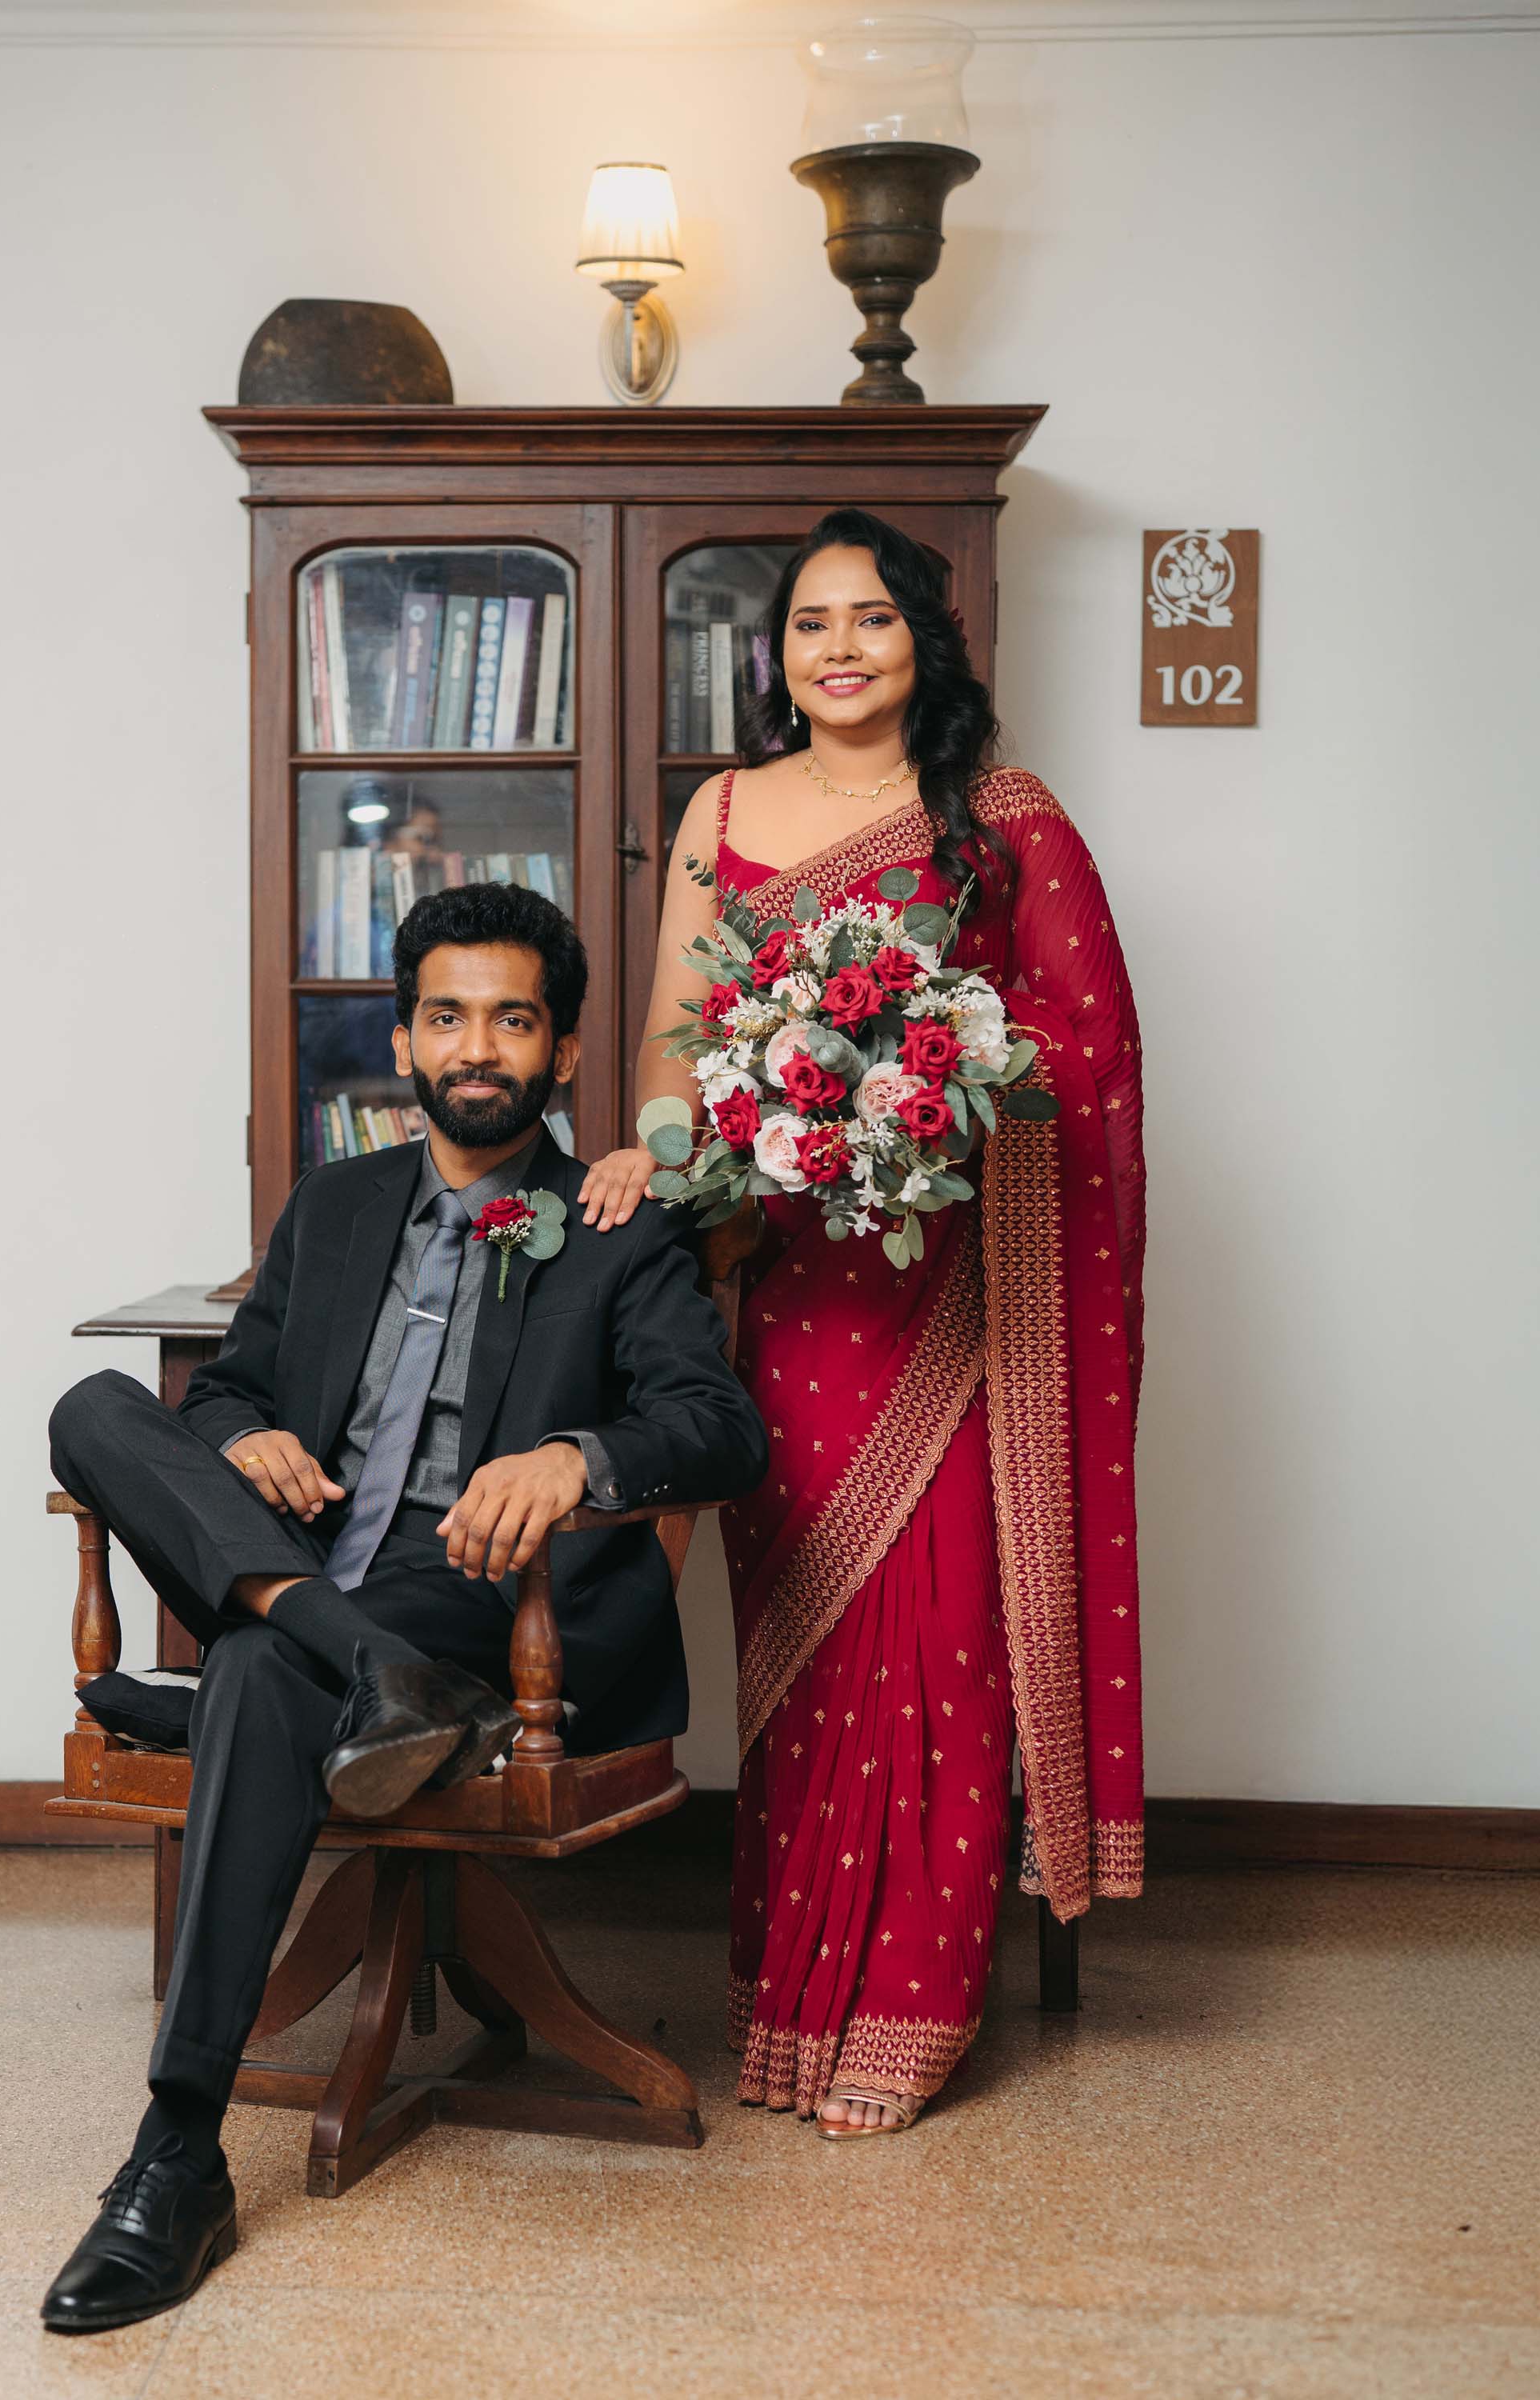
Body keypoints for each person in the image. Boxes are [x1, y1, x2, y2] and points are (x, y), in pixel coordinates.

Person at [42, 882, 767, 2330]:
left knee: (251, 1672)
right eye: (447, 1015)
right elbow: (241, 1380)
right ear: (404, 1037)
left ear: (563, 1052)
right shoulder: (336, 1201)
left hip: (488, 1599)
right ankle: (357, 1658)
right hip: (329, 1560)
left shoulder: (613, 1224)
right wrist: (244, 1432)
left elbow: (721, 1429)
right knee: (95, 1406)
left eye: (512, 1018)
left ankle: (175, 2155)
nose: (476, 1046)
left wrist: (578, 1456)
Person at [579, 509, 1146, 2138]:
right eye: (813, 621)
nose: (839, 646)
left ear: (925, 645)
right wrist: (674, 1145)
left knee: (943, 1627)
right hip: (786, 1275)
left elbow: (1079, 1048)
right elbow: (686, 1031)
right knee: (812, 1635)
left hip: (960, 1286)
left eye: (874, 619)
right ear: (779, 654)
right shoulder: (722, 811)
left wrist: (930, 1076)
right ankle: (798, 1988)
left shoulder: (999, 814)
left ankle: (915, 1996)